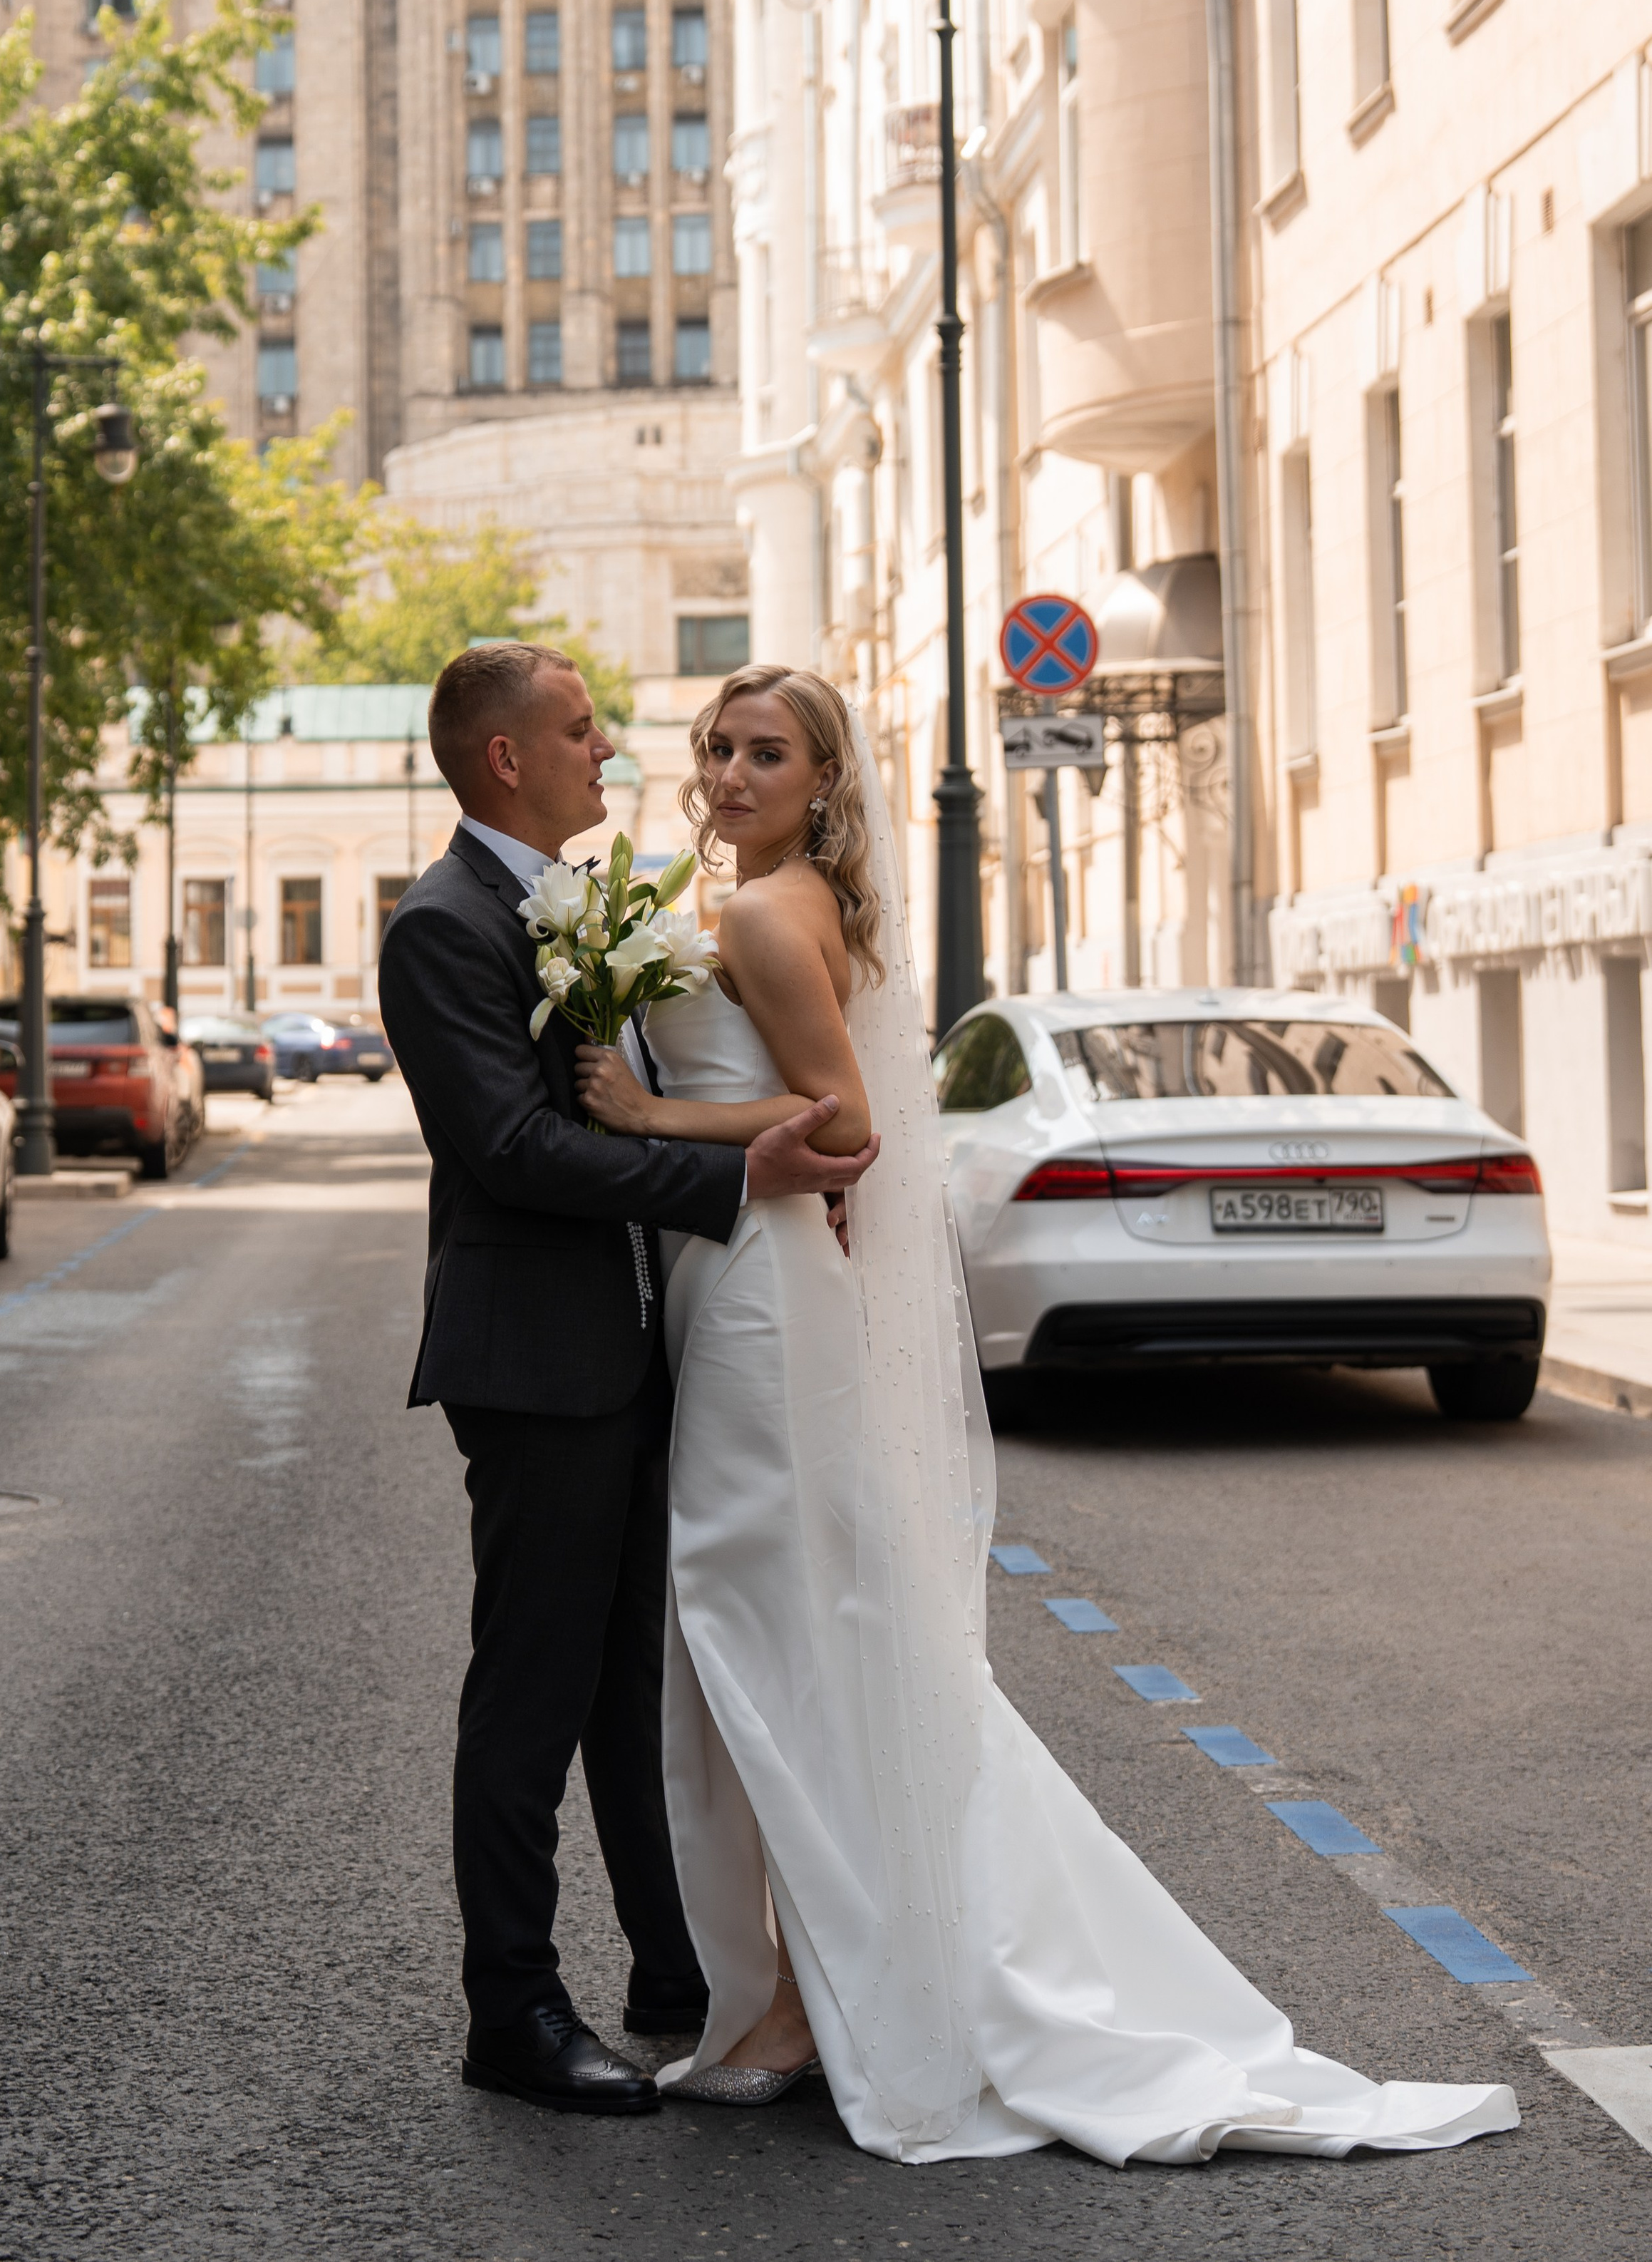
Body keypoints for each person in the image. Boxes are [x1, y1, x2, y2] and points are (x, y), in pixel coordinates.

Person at [573, 662, 1519, 2166]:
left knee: (764, 1630)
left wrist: (646, 1118)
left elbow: (847, 1122)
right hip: (737, 1283)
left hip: (757, 1292)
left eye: (766, 752)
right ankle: (808, 1979)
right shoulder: (748, 892)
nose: (731, 770)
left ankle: (813, 2000)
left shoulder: (758, 909)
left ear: (822, 781)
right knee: (796, 1632)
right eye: (716, 745)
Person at [377, 643, 880, 2120]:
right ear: (505, 762)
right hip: (536, 1358)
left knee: (635, 1686)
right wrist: (733, 1174)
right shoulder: (443, 925)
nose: (612, 751)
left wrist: (715, 1155)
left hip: (647, 1339)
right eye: (581, 731)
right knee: (532, 1688)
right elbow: (519, 1154)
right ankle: (513, 2009)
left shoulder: (572, 905)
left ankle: (676, 1969)